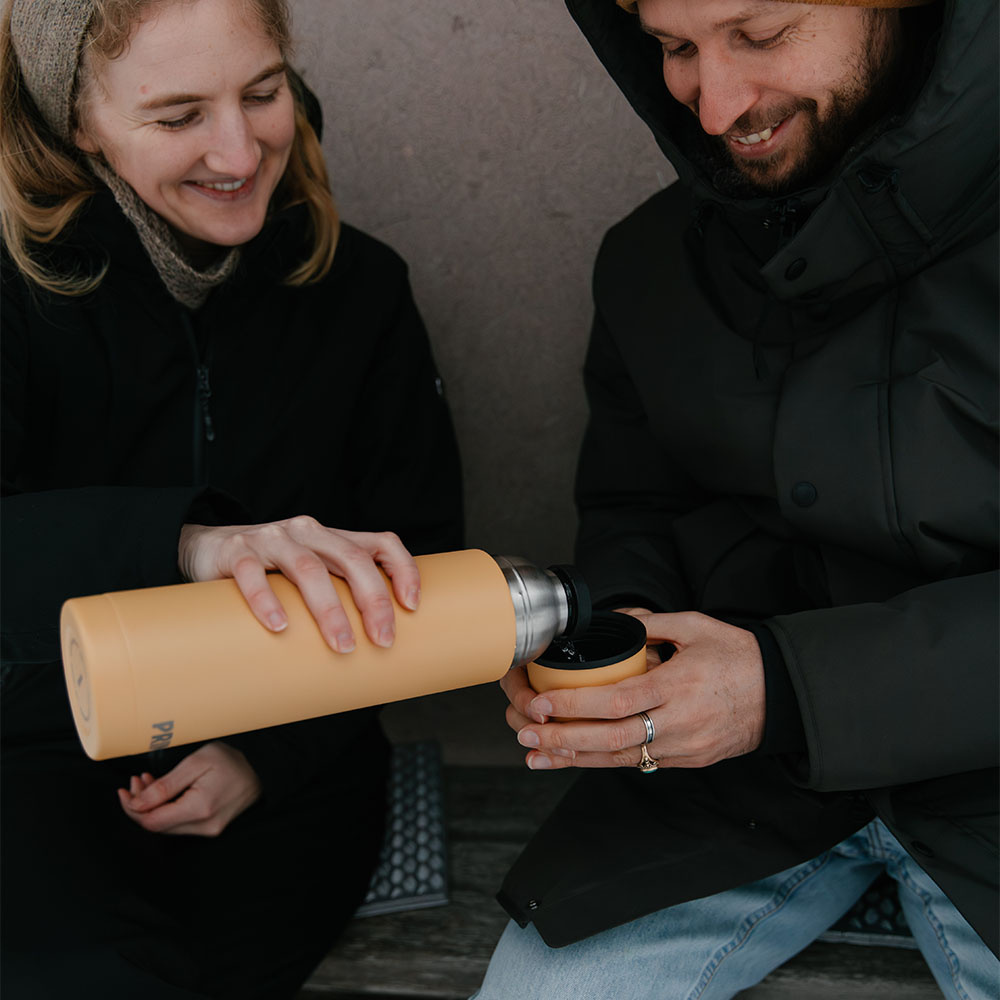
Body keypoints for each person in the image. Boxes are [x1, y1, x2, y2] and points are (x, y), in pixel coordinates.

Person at [476, 1, 998, 997]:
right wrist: (617, 647)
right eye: (675, 47)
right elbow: (634, 506)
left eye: (760, 34)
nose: (713, 109)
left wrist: (785, 690)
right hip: (736, 789)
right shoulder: (651, 259)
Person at [0, 1, 462, 997]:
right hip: (32, 764)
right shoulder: (13, 288)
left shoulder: (361, 287)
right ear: (78, 122)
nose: (240, 152)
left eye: (263, 93)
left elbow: (421, 557)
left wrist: (269, 754)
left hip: (292, 774)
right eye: (178, 116)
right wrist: (188, 543)